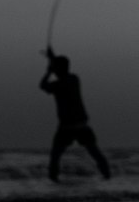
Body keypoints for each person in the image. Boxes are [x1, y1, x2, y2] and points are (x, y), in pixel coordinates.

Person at [39, 49, 111, 181]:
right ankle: (107, 177)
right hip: (74, 126)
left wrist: (49, 69)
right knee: (93, 152)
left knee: (57, 155)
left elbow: (43, 85)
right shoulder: (73, 80)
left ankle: (54, 180)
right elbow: (45, 84)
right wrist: (52, 59)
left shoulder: (64, 82)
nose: (54, 71)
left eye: (55, 69)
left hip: (73, 126)